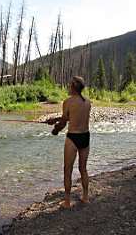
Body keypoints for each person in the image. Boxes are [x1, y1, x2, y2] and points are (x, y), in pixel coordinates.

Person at [47, 76, 91, 208]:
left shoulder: (67, 102)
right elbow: (71, 116)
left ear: (72, 87)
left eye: (69, 85)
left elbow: (63, 123)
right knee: (83, 168)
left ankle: (67, 201)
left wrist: (55, 130)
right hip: (85, 137)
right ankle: (85, 197)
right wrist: (54, 119)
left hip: (73, 137)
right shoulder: (88, 102)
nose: (68, 87)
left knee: (68, 170)